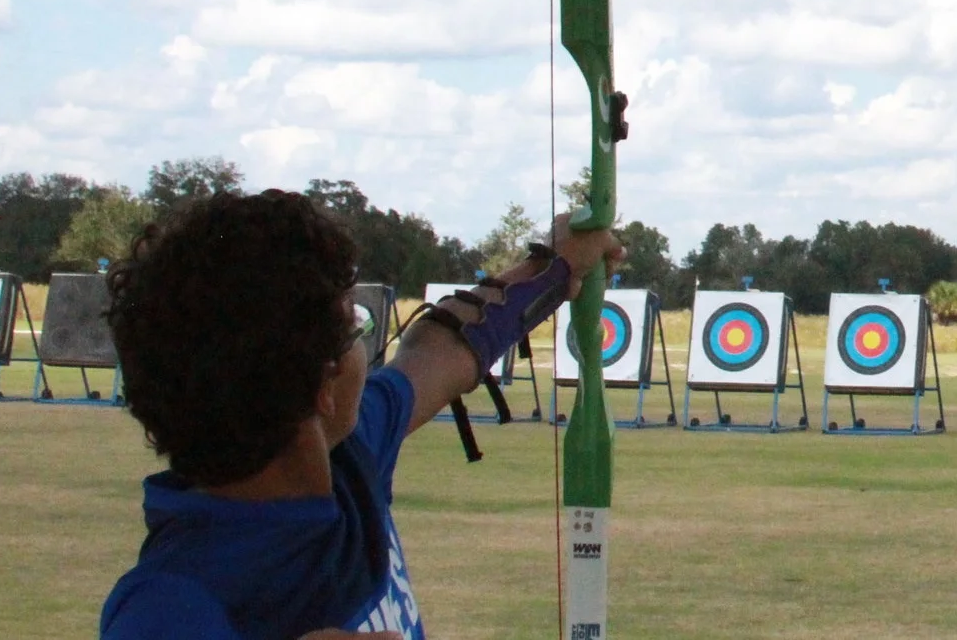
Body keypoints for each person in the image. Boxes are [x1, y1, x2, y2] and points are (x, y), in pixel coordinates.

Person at [98, 188, 621, 639]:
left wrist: (554, 267)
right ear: (326, 386)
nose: (366, 357)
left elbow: (441, 348)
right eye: (355, 332)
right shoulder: (166, 604)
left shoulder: (345, 455)